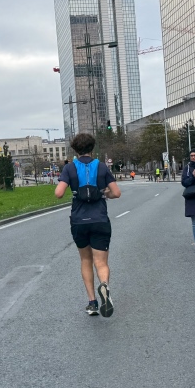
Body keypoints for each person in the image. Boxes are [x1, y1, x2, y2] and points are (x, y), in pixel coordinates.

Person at [55, 133, 121, 317]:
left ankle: (92, 303)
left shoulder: (69, 168)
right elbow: (116, 193)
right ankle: (104, 286)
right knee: (101, 262)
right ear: (92, 148)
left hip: (79, 220)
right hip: (100, 219)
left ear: (75, 149)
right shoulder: (101, 166)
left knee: (86, 260)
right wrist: (104, 194)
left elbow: (59, 193)